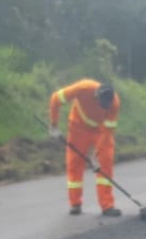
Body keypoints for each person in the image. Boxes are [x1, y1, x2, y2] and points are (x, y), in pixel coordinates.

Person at [49, 79, 121, 217]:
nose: (104, 107)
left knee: (105, 163)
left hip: (100, 131)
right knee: (75, 164)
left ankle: (107, 205)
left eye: (106, 105)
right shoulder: (83, 88)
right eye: (102, 104)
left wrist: (96, 154)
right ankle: (75, 203)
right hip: (78, 128)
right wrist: (54, 125)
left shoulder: (114, 103)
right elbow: (55, 99)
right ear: (96, 96)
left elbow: (107, 132)